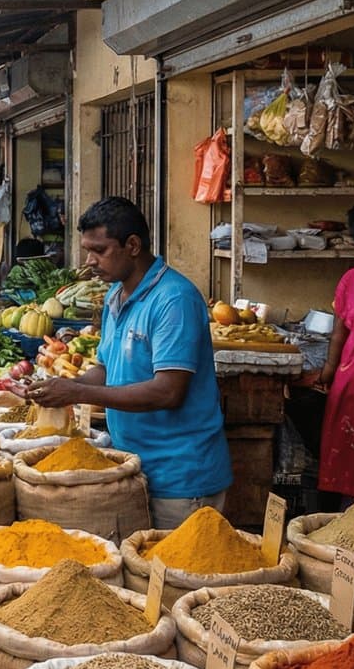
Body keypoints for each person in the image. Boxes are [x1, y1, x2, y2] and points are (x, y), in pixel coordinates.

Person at [26, 198, 231, 528]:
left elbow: (168, 392)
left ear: (132, 245)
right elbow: (106, 370)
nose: (89, 261)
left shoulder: (173, 299)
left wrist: (76, 394)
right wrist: (62, 387)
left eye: (100, 250)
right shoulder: (115, 296)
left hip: (181, 479)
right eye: (87, 250)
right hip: (133, 466)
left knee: (175, 576)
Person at [300, 202, 354, 503]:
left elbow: (339, 333)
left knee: (351, 462)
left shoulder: (353, 279)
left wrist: (328, 370)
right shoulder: (353, 279)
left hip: (351, 380)